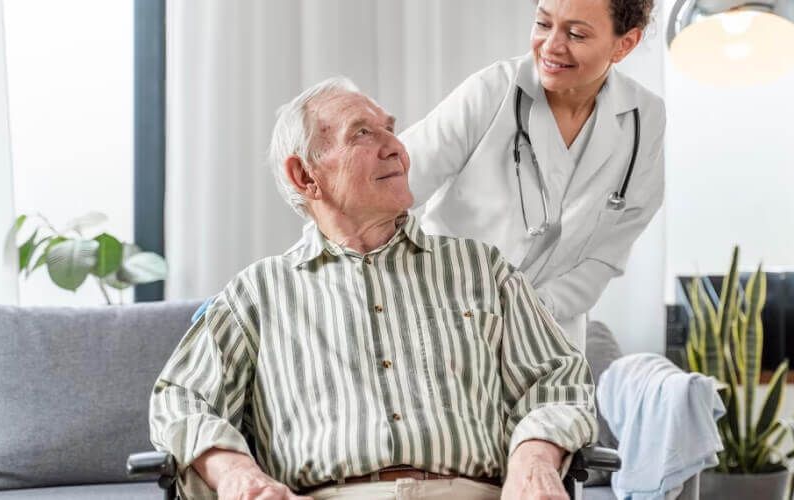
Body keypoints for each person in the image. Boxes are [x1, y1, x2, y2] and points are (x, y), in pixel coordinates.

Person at [149, 77, 597, 500]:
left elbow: (559, 380)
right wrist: (237, 476)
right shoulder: (257, 293)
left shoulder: (483, 269)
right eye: (363, 134)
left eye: (391, 130)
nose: (397, 149)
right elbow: (181, 398)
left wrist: (534, 458)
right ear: (305, 176)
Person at [400, 0, 664, 350]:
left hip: (550, 341)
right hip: (449, 325)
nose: (551, 45)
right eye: (543, 24)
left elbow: (606, 254)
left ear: (625, 44)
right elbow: (388, 186)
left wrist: (532, 310)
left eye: (576, 34)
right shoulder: (494, 91)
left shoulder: (643, 118)